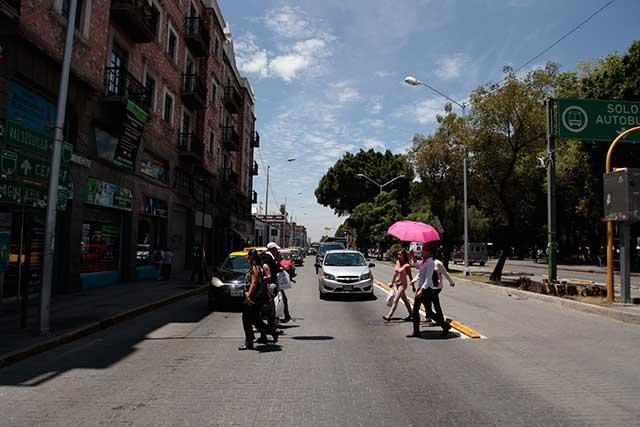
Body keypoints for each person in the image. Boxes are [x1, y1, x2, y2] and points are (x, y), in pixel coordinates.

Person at [408, 243, 451, 338]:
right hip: (422, 288)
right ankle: (417, 331)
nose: (422, 252)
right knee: (422, 311)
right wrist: (413, 257)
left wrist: (421, 290)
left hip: (426, 290)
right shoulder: (425, 261)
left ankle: (445, 326)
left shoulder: (431, 263)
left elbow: (428, 279)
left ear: (429, 253)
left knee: (424, 311)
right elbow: (417, 266)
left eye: (424, 250)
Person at [239, 249, 279, 350]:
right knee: (255, 319)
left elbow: (254, 282)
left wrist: (248, 296)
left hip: (254, 298)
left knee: (246, 318)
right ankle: (271, 331)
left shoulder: (255, 268)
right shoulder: (256, 267)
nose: (246, 258)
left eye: (247, 256)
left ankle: (249, 342)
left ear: (251, 257)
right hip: (256, 297)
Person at [383, 250, 413, 322]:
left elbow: (410, 276)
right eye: (398, 254)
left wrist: (413, 286)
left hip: (403, 284)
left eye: (400, 255)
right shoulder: (397, 262)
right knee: (405, 300)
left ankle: (389, 316)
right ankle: (411, 314)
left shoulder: (407, 265)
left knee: (395, 299)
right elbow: (395, 274)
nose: (398, 256)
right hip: (396, 283)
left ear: (404, 256)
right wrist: (392, 282)